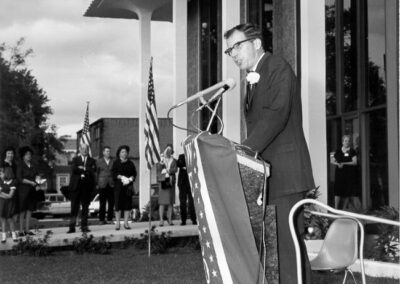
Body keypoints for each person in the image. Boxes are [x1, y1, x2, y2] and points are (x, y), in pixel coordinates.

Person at [224, 23, 315, 283]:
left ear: (256, 43)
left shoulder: (277, 68)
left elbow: (276, 116)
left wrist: (243, 150)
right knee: (278, 250)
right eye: (229, 51)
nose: (234, 54)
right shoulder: (252, 77)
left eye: (237, 46)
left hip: (286, 173)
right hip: (267, 176)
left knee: (288, 250)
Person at [67, 144, 96, 233]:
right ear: (80, 150)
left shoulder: (92, 160)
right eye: (82, 149)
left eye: (86, 149)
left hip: (86, 187)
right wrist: (85, 169)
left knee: (85, 208)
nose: (84, 150)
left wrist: (82, 168)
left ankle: (84, 226)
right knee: (74, 208)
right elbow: (74, 169)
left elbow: (92, 170)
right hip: (76, 187)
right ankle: (72, 227)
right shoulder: (75, 159)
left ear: (88, 150)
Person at [331, 135, 360, 210]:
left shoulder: (352, 151)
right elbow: (332, 160)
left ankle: (344, 209)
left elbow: (355, 162)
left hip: (349, 174)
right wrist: (337, 164)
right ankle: (336, 208)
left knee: (347, 191)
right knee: (338, 191)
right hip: (339, 174)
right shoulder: (338, 150)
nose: (347, 142)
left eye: (348, 141)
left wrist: (344, 163)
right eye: (345, 141)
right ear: (342, 142)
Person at [111, 145, 136, 230]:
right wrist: (121, 177)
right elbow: (113, 174)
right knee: (118, 205)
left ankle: (126, 223)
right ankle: (118, 223)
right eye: (122, 152)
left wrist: (131, 178)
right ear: (119, 153)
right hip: (118, 187)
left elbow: (134, 173)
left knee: (127, 205)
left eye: (125, 152)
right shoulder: (116, 163)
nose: (124, 153)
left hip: (128, 187)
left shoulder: (130, 163)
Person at [17, 146, 40, 236]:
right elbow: (19, 178)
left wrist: (38, 182)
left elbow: (37, 176)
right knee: (22, 210)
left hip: (32, 191)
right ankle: (20, 231)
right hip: (22, 191)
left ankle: (27, 230)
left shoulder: (33, 165)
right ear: (23, 156)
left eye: (30, 154)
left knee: (29, 210)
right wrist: (30, 182)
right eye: (27, 154)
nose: (29, 156)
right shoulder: (20, 165)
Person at [158, 144, 177, 227]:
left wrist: (168, 170)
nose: (168, 152)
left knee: (170, 202)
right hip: (163, 182)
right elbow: (158, 169)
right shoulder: (161, 160)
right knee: (162, 202)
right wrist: (162, 167)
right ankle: (161, 220)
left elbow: (175, 169)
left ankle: (169, 219)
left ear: (172, 152)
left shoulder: (174, 160)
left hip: (171, 182)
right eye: (167, 150)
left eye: (170, 150)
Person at [176, 153, 197, 226]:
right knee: (183, 202)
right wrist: (186, 166)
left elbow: (194, 165)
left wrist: (186, 167)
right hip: (182, 183)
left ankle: (194, 219)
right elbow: (178, 164)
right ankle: (183, 220)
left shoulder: (192, 155)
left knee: (192, 202)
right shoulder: (181, 156)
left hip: (191, 182)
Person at [96, 146, 115, 224]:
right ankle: (101, 219)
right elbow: (96, 173)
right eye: (107, 151)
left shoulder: (113, 161)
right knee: (102, 202)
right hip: (102, 183)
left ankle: (110, 219)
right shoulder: (99, 161)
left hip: (111, 184)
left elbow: (115, 172)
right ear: (103, 152)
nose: (108, 153)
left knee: (111, 202)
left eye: (109, 151)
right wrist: (97, 183)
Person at [0, 167, 18, 243]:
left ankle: (14, 236)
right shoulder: (1, 182)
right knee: (2, 220)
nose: (0, 174)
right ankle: (3, 237)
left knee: (10, 220)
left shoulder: (13, 182)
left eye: (1, 173)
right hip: (2, 204)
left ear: (6, 173)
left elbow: (11, 195)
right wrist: (5, 195)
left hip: (10, 204)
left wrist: (1, 193)